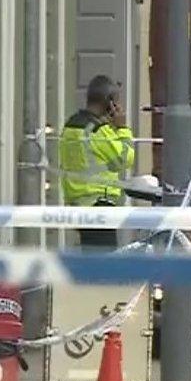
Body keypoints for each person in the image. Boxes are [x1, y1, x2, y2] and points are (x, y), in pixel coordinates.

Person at [58, 75, 135, 250]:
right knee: (105, 263)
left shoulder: (71, 126)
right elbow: (125, 158)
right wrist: (122, 128)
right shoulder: (98, 131)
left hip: (77, 201)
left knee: (89, 255)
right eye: (116, 102)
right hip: (99, 203)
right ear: (109, 103)